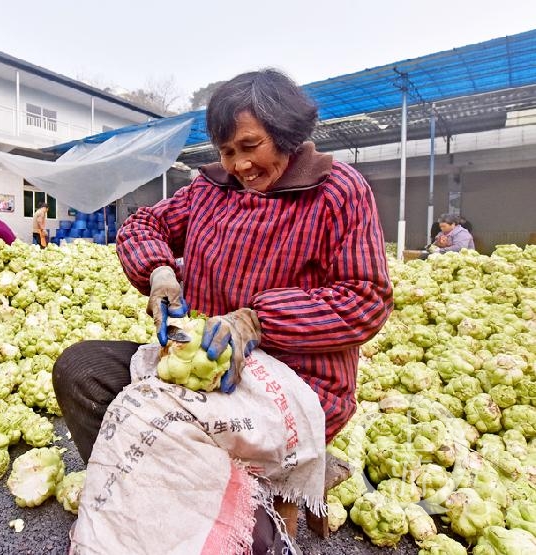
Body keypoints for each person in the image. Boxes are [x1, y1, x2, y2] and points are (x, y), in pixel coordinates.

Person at [52, 68, 393, 552]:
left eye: (250, 146)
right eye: (227, 151)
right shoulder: (210, 190)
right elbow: (143, 222)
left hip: (295, 380)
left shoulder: (337, 190)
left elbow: (366, 299)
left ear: (287, 134)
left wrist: (256, 321)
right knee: (81, 370)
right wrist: (159, 271)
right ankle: (153, 496)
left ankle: (251, 519)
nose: (238, 165)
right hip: (205, 367)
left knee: (205, 480)